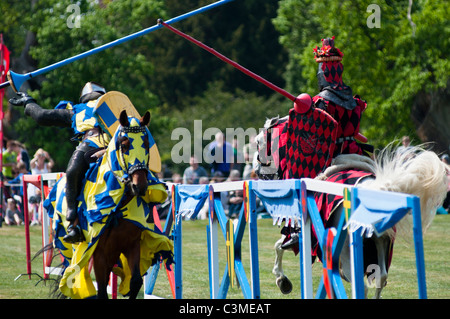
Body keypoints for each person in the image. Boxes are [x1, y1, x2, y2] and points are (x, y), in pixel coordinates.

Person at [9, 82, 110, 243]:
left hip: (111, 147)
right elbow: (42, 116)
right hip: (96, 147)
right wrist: (28, 102)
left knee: (72, 173)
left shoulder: (108, 109)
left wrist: (29, 101)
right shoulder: (80, 110)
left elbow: (42, 116)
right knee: (72, 172)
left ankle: (73, 225)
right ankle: (73, 222)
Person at [312, 36, 373, 157]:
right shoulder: (354, 101)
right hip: (355, 151)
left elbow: (316, 137)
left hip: (334, 154)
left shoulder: (322, 102)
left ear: (323, 75)